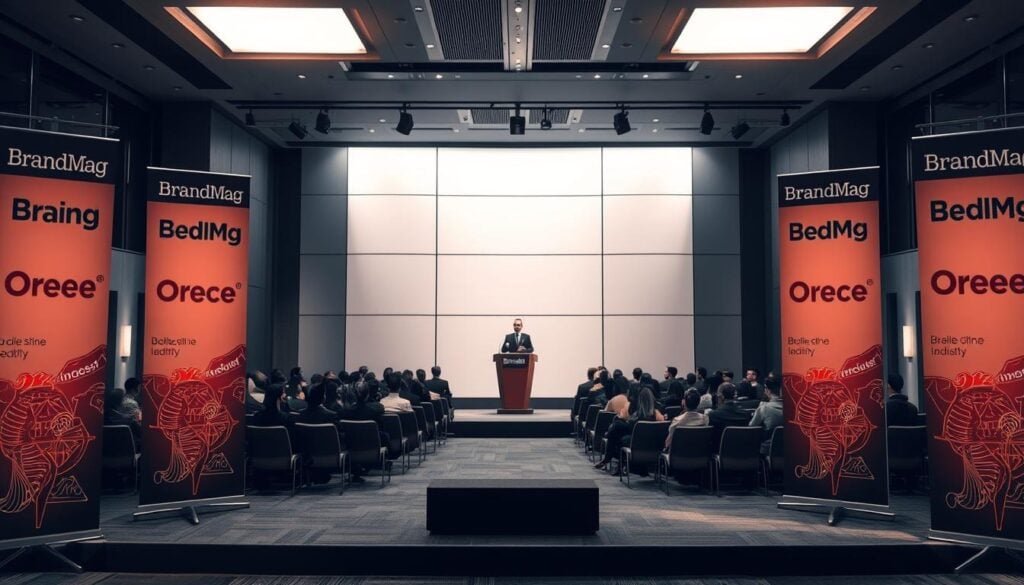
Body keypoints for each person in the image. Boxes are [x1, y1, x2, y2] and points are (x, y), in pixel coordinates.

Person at [595, 387, 664, 473]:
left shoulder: (637, 417)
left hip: (636, 444)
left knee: (617, 430)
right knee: (618, 429)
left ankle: (612, 460)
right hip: (654, 447)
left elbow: (629, 426)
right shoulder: (657, 415)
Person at [707, 383, 752, 451]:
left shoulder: (713, 415)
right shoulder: (746, 415)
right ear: (735, 396)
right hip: (742, 451)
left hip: (720, 451)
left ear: (722, 396)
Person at [749, 376, 784, 454]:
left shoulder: (764, 408)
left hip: (769, 449)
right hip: (790, 450)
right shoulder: (793, 408)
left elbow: (751, 427)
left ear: (767, 390)